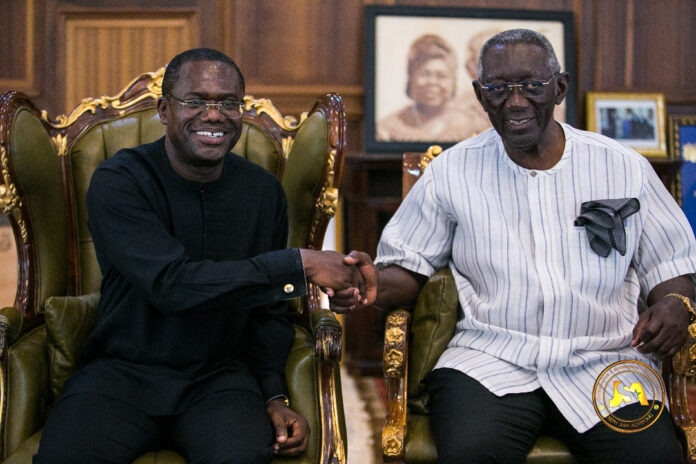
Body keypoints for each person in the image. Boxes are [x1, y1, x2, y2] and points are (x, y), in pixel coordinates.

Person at [334, 29, 696, 463]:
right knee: (471, 453)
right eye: (498, 88)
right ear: (479, 94)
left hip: (606, 361)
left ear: (559, 87)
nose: (516, 101)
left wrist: (675, 303)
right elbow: (409, 268)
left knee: (653, 457)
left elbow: (671, 262)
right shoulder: (451, 172)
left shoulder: (622, 166)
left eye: (532, 85)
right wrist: (371, 282)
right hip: (489, 361)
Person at [34, 48, 367, 464]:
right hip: (120, 373)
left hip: (220, 380)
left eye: (229, 103)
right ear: (164, 110)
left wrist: (274, 395)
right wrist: (300, 265)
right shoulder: (120, 180)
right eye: (195, 101)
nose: (214, 115)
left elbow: (268, 313)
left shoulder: (263, 192)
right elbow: (170, 284)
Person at [377, 34, 470, 142]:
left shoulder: (471, 128)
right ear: (411, 77)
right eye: (425, 74)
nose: (432, 82)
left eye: (441, 75)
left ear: (453, 81)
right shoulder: (387, 129)